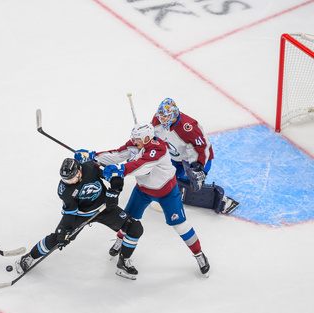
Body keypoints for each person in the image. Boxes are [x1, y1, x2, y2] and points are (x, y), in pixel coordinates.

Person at [89, 122, 210, 277]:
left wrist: (121, 170)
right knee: (128, 219)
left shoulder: (158, 148)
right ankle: (120, 240)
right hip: (143, 190)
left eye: (137, 139)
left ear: (147, 138)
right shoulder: (137, 144)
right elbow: (117, 155)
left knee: (181, 226)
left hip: (167, 192)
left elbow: (142, 165)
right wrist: (93, 156)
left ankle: (199, 254)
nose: (133, 141)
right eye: (133, 138)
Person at [15, 157, 144, 280]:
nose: (70, 182)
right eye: (67, 180)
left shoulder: (90, 167)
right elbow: (70, 212)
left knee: (135, 228)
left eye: (73, 178)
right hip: (81, 215)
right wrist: (64, 229)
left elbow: (114, 173)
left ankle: (123, 262)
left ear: (79, 170)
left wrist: (115, 190)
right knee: (58, 237)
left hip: (105, 208)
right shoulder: (65, 190)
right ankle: (30, 257)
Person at [152, 98, 239, 214]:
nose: (162, 119)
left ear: (174, 115)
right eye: (160, 116)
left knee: (189, 184)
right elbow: (154, 138)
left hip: (197, 159)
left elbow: (202, 147)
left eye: (165, 116)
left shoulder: (188, 127)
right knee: (159, 174)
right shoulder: (157, 120)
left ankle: (220, 201)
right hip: (174, 157)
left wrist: (197, 165)